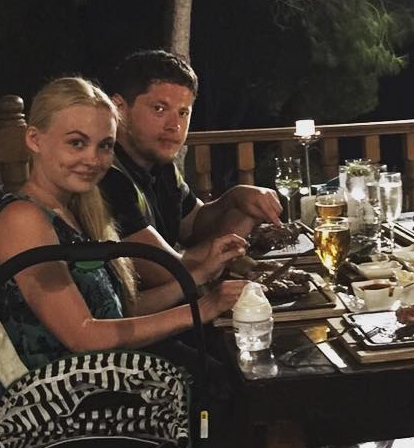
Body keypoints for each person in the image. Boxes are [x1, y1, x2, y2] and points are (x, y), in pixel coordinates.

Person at [0, 77, 248, 371]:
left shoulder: (73, 211)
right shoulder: (23, 218)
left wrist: (199, 275)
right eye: (77, 143)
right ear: (34, 139)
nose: (93, 159)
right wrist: (203, 309)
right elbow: (83, 336)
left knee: (227, 357)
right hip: (74, 390)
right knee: (225, 371)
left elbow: (118, 311)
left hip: (107, 371)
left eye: (105, 145)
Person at [98, 50, 282, 289]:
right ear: (119, 108)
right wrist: (232, 237)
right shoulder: (106, 175)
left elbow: (194, 225)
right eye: (159, 109)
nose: (175, 125)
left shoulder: (161, 165)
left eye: (183, 112)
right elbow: (165, 271)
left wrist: (236, 198)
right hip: (142, 309)